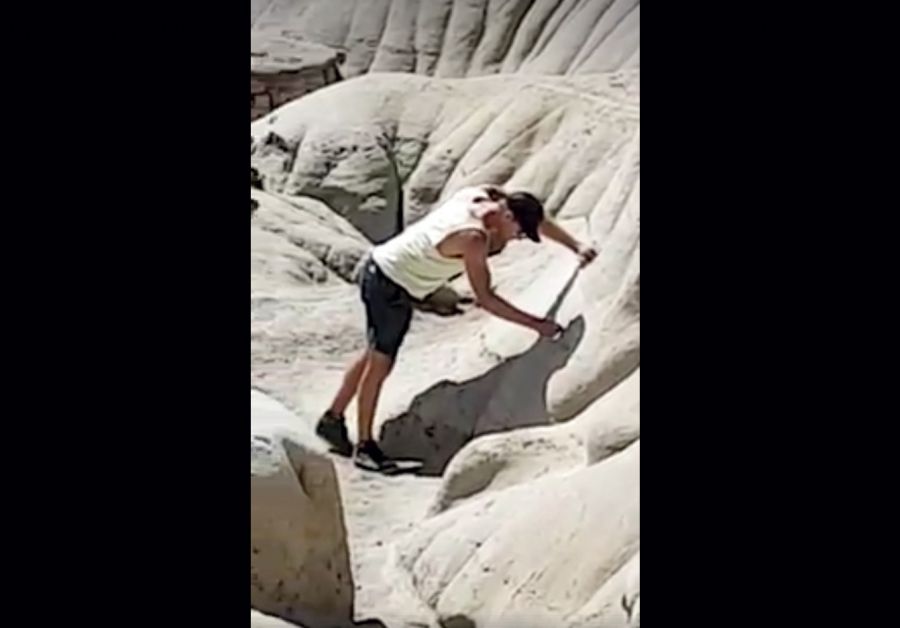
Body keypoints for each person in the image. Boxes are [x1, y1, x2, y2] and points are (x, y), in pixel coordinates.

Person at [315, 184, 598, 472]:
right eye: (520, 234)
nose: (518, 240)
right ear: (509, 218)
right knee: (380, 363)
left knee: (374, 353)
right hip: (390, 285)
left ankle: (332, 419)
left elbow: (531, 214)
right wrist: (537, 325)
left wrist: (576, 246)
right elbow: (485, 298)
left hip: (382, 267)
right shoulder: (473, 237)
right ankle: (365, 446)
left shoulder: (482, 196)